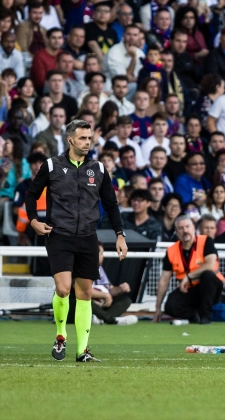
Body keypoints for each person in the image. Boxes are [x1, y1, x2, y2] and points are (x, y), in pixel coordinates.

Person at [25, 119, 128, 362]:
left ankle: (82, 351)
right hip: (59, 235)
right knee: (63, 288)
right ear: (70, 140)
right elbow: (31, 195)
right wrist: (33, 221)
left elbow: (111, 205)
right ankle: (61, 336)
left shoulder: (99, 168)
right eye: (82, 138)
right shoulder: (51, 166)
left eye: (89, 138)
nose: (87, 143)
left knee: (85, 293)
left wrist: (119, 234)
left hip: (88, 238)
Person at [153, 215, 225, 324]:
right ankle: (194, 315)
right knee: (170, 306)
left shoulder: (206, 241)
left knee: (207, 275)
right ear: (176, 231)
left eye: (187, 226)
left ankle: (205, 316)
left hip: (210, 288)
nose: (185, 231)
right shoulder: (171, 251)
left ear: (193, 227)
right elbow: (164, 280)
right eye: (181, 228)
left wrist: (188, 276)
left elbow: (210, 265)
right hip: (188, 289)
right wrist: (157, 308)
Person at [90, 242, 135, 325]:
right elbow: (84, 291)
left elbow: (109, 289)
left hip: (102, 303)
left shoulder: (100, 269)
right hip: (88, 301)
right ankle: (112, 320)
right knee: (84, 302)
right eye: (101, 253)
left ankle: (100, 319)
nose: (103, 256)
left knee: (126, 300)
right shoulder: (80, 269)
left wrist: (120, 289)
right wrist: (105, 295)